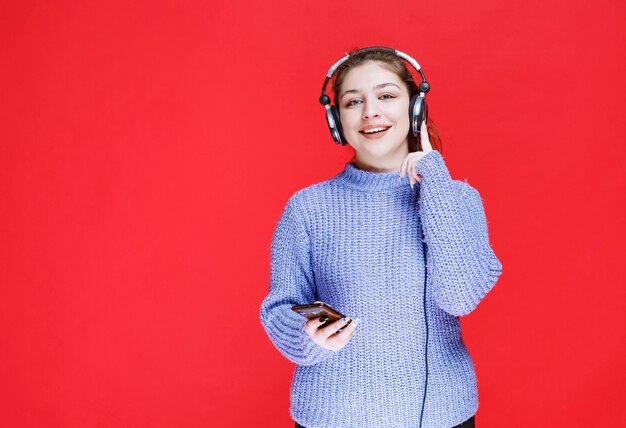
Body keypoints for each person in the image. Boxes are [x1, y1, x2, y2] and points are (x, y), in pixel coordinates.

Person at [259, 46, 503, 428]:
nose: (370, 111)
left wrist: (434, 184)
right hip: (333, 414)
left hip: (442, 415)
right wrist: (307, 335)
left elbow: (460, 295)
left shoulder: (458, 199)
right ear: (336, 119)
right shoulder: (307, 208)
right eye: (353, 101)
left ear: (415, 108)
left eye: (386, 96)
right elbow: (279, 308)